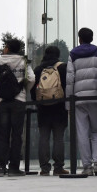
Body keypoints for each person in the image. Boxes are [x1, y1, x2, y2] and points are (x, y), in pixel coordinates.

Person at [66, 27, 97, 176]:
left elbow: (69, 79)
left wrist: (68, 103)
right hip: (96, 97)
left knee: (82, 132)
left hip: (78, 98)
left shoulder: (73, 55)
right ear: (92, 38)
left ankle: (87, 166)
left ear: (79, 39)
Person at [0, 39, 34, 177]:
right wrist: (22, 90)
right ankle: (14, 167)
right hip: (18, 100)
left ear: (8, 48)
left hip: (3, 101)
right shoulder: (24, 61)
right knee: (17, 135)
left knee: (2, 134)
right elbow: (32, 78)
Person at [31, 45, 69, 176]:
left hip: (43, 108)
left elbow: (32, 88)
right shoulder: (63, 67)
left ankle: (44, 168)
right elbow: (67, 86)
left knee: (44, 138)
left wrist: (37, 102)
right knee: (59, 138)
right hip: (59, 107)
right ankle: (58, 167)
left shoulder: (38, 69)